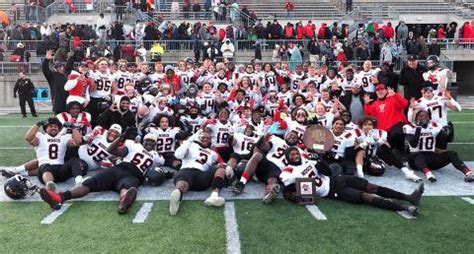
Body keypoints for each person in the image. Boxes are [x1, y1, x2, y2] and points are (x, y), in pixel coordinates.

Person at [39, 131, 166, 214]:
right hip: (120, 168)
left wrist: (165, 174)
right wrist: (121, 137)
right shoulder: (134, 146)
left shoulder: (156, 156)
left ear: (155, 144)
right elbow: (112, 150)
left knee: (127, 188)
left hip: (135, 175)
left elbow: (164, 166)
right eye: (147, 140)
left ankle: (124, 203)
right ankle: (59, 197)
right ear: (143, 141)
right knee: (90, 183)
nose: (149, 143)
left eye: (152, 142)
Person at [280, 147, 423, 217]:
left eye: (296, 153)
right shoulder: (288, 172)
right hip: (332, 191)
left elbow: (328, 172)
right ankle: (403, 207)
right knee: (364, 195)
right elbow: (286, 191)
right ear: (288, 158)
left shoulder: (308, 161)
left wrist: (319, 159)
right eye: (292, 154)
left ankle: (409, 197)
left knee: (370, 186)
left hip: (337, 179)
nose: (296, 155)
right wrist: (296, 198)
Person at [404, 110, 474, 182]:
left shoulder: (435, 126)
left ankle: (468, 173)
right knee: (417, 155)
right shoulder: (409, 127)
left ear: (429, 118)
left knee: (452, 154)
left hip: (431, 158)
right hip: (415, 161)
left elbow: (444, 141)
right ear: (416, 118)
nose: (424, 117)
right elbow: (413, 144)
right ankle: (428, 174)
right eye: (421, 116)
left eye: (426, 116)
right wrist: (419, 128)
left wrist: (448, 134)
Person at [169, 130, 228, 215]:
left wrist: (226, 167)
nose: (205, 139)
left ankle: (214, 196)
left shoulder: (213, 153)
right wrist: (189, 140)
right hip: (187, 171)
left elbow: (222, 163)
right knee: (182, 184)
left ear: (210, 141)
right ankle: (177, 197)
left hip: (202, 176)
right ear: (198, 138)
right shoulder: (191, 145)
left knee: (221, 169)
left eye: (208, 138)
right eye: (203, 137)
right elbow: (178, 155)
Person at [27, 117, 86, 190]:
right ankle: (50, 185)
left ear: (59, 128)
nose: (53, 128)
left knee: (74, 160)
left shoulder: (64, 137)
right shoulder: (41, 137)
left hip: (60, 170)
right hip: (44, 171)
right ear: (45, 129)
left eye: (56, 126)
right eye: (50, 126)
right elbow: (28, 138)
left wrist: (73, 127)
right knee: (45, 166)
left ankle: (79, 182)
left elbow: (78, 141)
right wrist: (38, 124)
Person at [364, 84, 408, 157]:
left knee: (396, 133)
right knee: (384, 151)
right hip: (384, 132)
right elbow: (369, 114)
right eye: (378, 90)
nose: (380, 92)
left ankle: (402, 151)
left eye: (382, 89)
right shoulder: (375, 104)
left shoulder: (393, 99)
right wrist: (367, 104)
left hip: (396, 128)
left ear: (386, 91)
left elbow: (404, 104)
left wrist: (395, 95)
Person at [42, 49, 69, 114]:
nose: (58, 68)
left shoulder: (67, 76)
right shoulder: (52, 76)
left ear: (63, 67)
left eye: (60, 66)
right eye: (56, 67)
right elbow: (45, 70)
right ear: (54, 68)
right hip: (58, 105)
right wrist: (46, 60)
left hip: (68, 105)